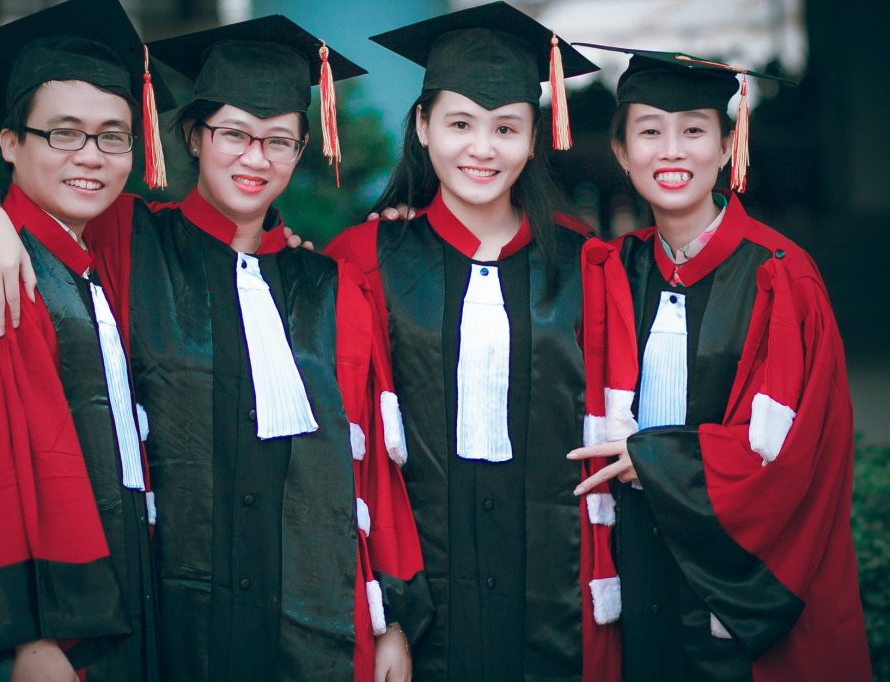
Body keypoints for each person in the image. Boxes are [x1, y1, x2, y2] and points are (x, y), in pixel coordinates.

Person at [0, 15, 432, 682]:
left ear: (303, 147)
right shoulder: (132, 241)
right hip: (169, 625)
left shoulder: (331, 288)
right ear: (194, 135)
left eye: (279, 140)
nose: (256, 158)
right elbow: (48, 199)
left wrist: (392, 618)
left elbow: (371, 465)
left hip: (314, 624)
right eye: (233, 134)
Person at [326, 3, 627, 679]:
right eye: (459, 123)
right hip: (423, 605)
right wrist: (386, 619)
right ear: (424, 127)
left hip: (557, 603)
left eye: (506, 127)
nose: (482, 148)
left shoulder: (589, 264)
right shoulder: (364, 260)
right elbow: (343, 458)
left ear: (534, 137)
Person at [567, 44, 872, 681]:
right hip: (638, 577)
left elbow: (804, 458)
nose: (672, 151)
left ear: (730, 144)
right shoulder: (608, 271)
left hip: (739, 597)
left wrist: (655, 459)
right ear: (622, 153)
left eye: (695, 131)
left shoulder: (783, 279)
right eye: (649, 131)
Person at [0, 0, 175, 680]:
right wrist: (28, 642)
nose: (91, 156)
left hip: (122, 589)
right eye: (64, 133)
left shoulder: (105, 249)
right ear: (10, 143)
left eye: (113, 136)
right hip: (52, 628)